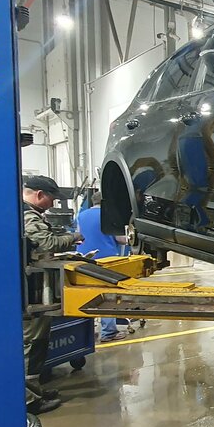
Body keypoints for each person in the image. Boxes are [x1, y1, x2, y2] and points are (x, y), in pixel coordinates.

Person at [22, 175, 82, 414]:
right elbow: (47, 243)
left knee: (38, 343)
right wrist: (72, 238)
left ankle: (34, 390)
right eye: (52, 199)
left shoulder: (29, 213)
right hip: (29, 291)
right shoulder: (27, 216)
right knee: (32, 344)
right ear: (39, 195)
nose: (53, 204)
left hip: (35, 289)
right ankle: (29, 400)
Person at [77, 192, 130, 342]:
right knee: (107, 296)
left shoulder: (81, 215)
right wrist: (131, 237)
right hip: (106, 259)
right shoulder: (109, 215)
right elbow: (120, 239)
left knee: (86, 295)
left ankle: (87, 332)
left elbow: (78, 235)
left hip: (83, 259)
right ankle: (108, 332)